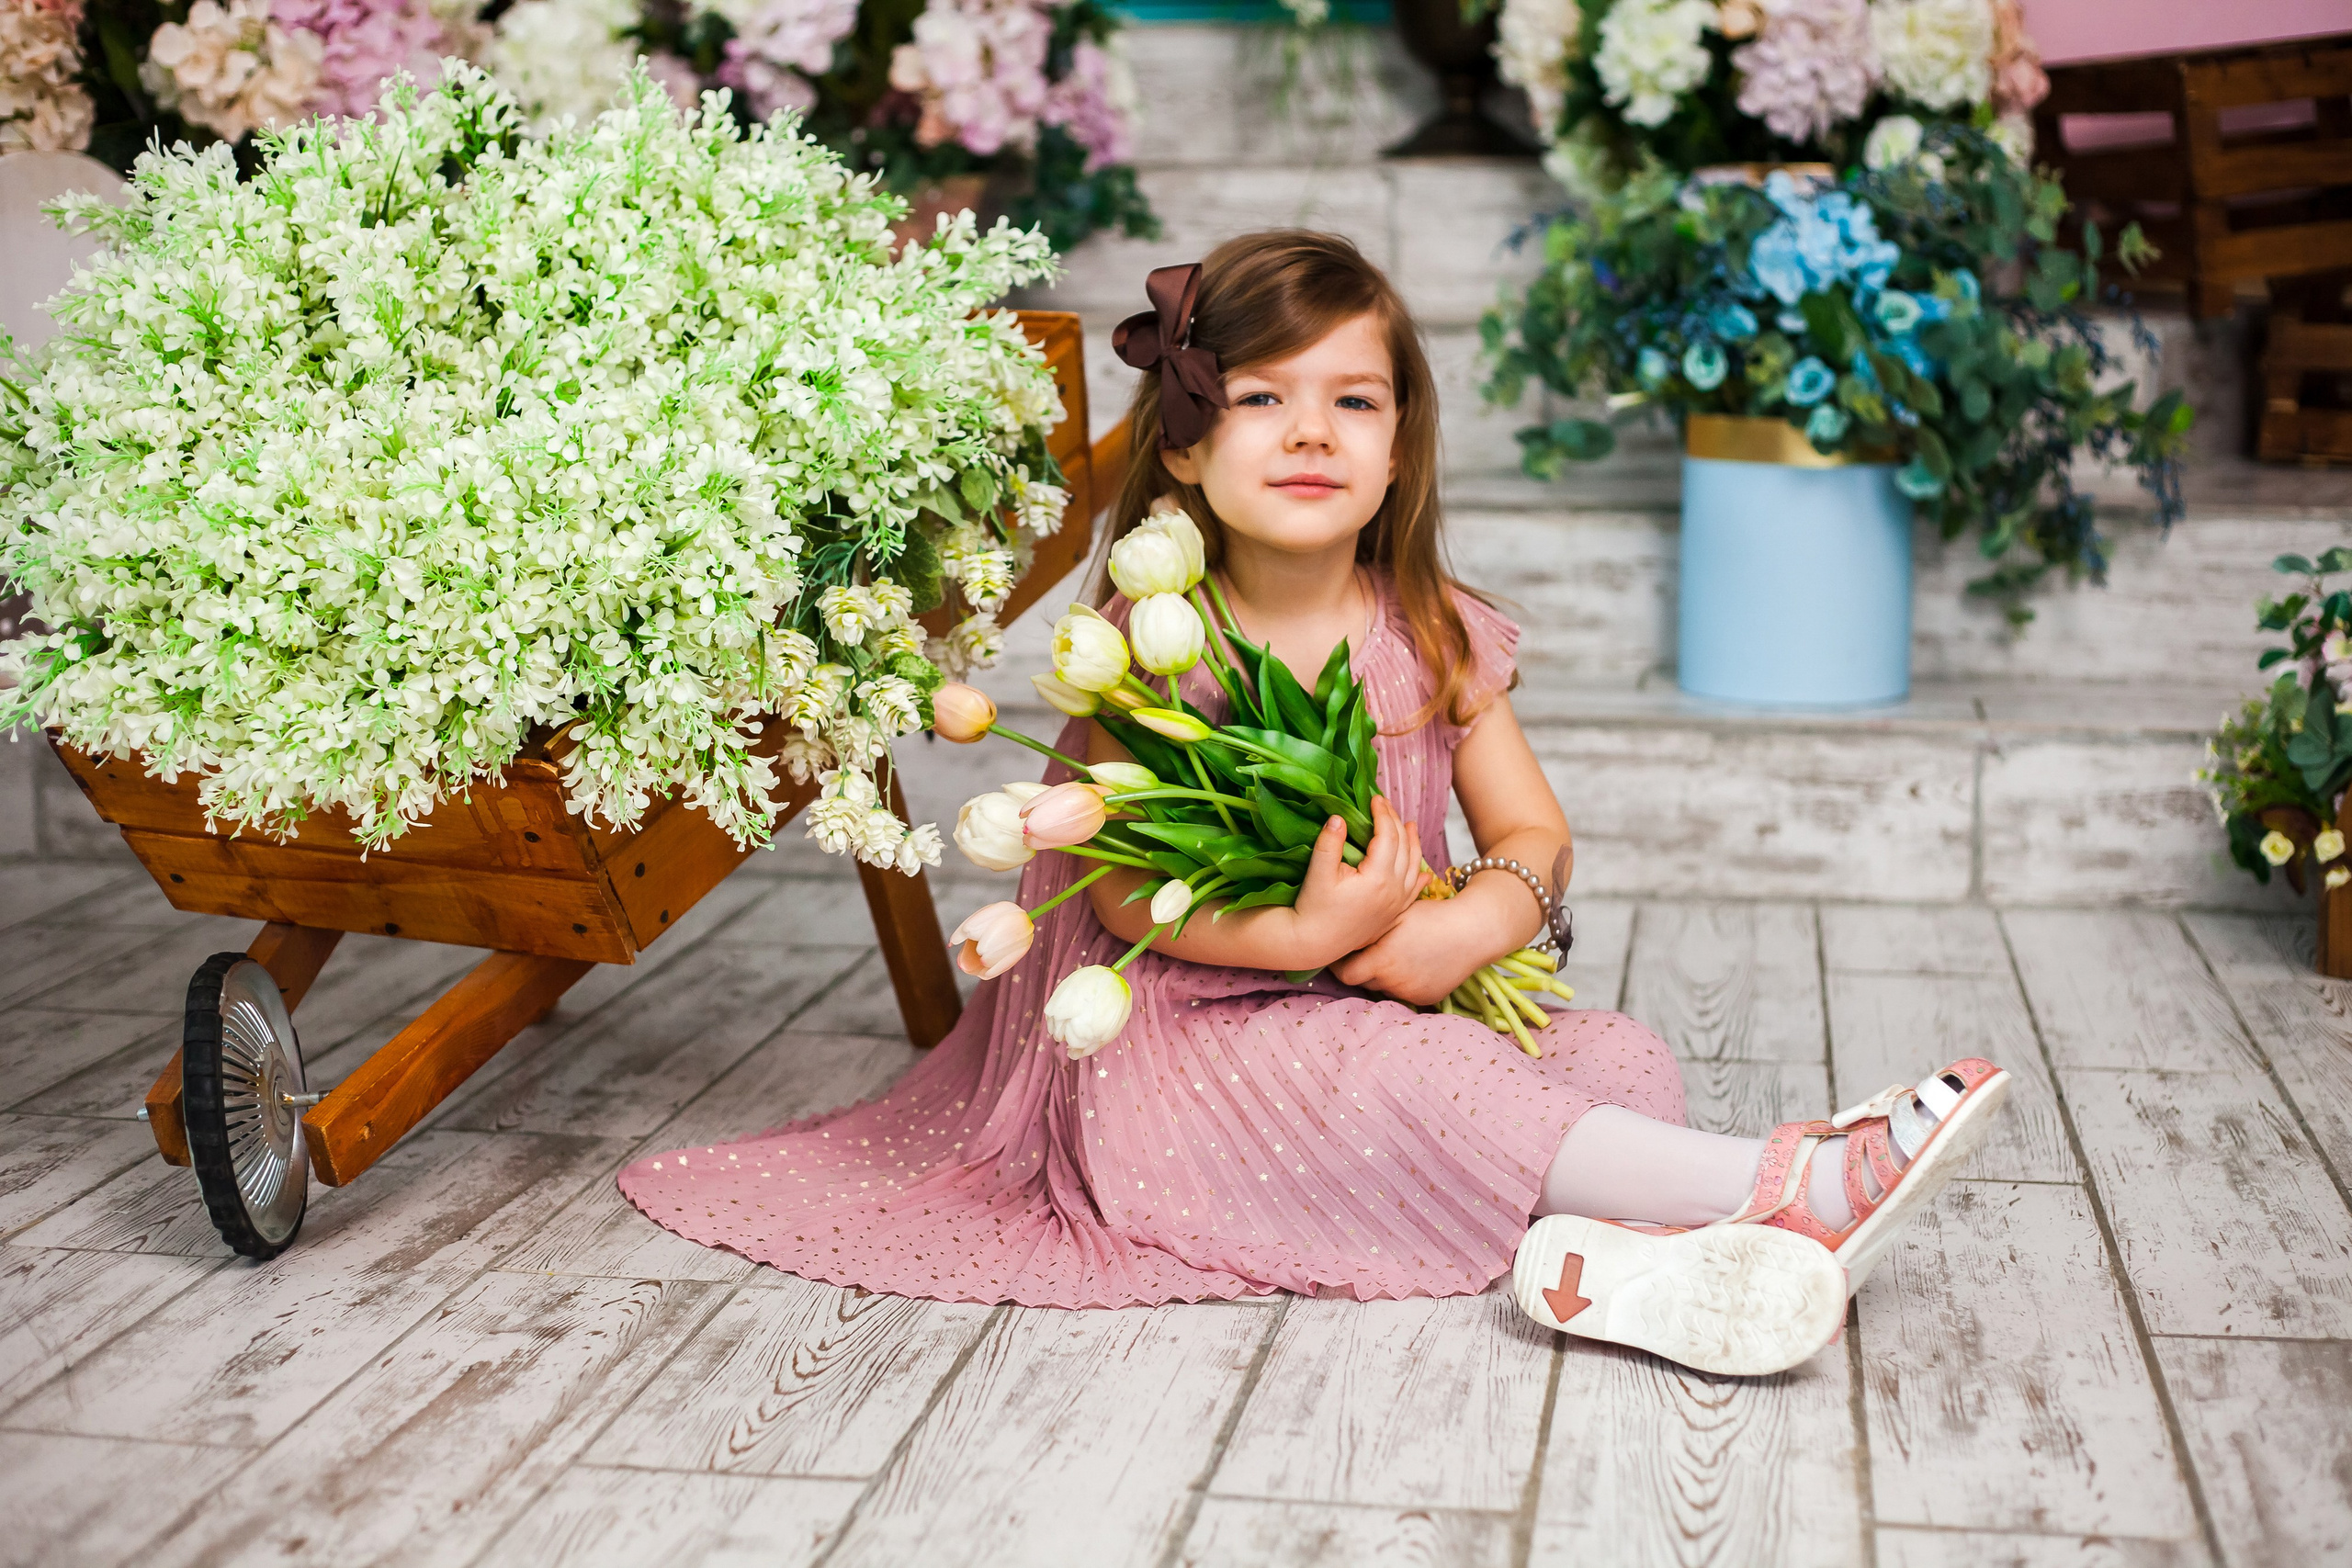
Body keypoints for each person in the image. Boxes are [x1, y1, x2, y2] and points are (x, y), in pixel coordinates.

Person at [618, 231, 2011, 1377]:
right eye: (1264, 397)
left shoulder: (1433, 630)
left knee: (1620, 1062)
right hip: (1184, 1045)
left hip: (1400, 995)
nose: (1311, 432)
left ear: (1398, 451)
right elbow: (1111, 892)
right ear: (1182, 445)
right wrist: (1301, 941)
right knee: (1428, 1080)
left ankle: (1614, 1274)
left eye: (1354, 401)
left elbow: (1535, 832)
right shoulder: (1161, 644)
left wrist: (1463, 933)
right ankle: (1793, 1184)